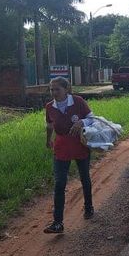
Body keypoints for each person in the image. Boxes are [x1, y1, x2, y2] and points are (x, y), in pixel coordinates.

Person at [44, 77, 95, 234]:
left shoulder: (78, 101)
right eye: (51, 89)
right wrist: (48, 140)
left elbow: (92, 119)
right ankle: (58, 222)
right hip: (61, 146)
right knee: (60, 183)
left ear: (66, 89)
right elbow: (50, 125)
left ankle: (88, 207)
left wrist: (81, 122)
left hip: (79, 143)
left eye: (57, 89)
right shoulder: (50, 107)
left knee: (84, 177)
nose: (54, 92)